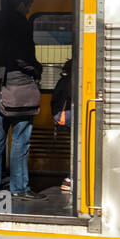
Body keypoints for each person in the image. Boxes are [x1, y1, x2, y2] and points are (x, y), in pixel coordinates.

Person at [0, 0, 43, 200]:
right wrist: (35, 69)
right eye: (28, 6)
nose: (28, 11)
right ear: (21, 5)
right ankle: (19, 188)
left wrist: (1, 71)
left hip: (0, 88)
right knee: (20, 140)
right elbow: (22, 58)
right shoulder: (20, 25)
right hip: (21, 89)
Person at [52, 59, 73, 193]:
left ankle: (70, 178)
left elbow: (54, 101)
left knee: (74, 147)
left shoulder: (62, 81)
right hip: (73, 119)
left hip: (64, 119)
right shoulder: (74, 81)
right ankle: (70, 179)